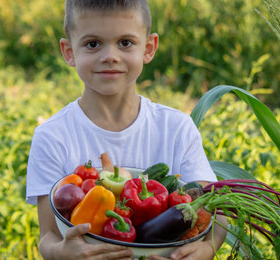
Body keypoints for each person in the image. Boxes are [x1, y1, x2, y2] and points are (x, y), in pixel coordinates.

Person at [26, 0, 227, 259]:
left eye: (125, 43)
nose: (110, 56)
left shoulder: (176, 128)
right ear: (69, 52)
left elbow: (215, 210)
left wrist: (209, 247)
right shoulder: (52, 136)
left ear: (149, 47)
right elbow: (49, 237)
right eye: (93, 44)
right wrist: (62, 253)